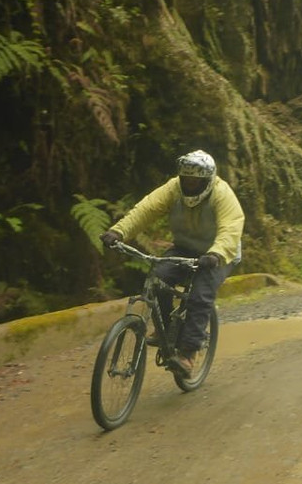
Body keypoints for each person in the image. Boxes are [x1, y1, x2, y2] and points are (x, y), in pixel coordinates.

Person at [101, 149, 244, 377]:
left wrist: (216, 254)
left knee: (200, 295)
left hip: (218, 253)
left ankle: (188, 353)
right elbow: (146, 209)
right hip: (184, 248)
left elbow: (231, 227)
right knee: (157, 279)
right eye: (186, 179)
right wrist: (118, 231)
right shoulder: (173, 188)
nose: (189, 184)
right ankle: (166, 331)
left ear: (207, 181)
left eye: (195, 181)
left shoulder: (221, 194)